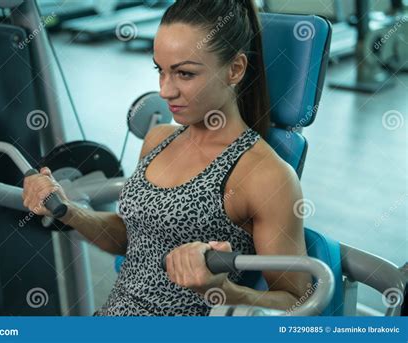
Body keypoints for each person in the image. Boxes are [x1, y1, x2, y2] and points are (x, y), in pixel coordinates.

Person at [22, 0, 312, 316]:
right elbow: (131, 237)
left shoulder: (264, 174)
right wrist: (67, 210)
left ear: (235, 69)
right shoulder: (158, 139)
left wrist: (222, 291)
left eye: (184, 74)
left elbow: (298, 301)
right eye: (160, 70)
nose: (165, 91)